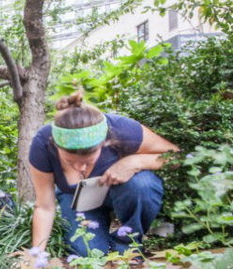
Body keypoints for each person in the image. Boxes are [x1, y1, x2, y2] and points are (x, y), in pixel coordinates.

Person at [28, 91, 179, 256]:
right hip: (77, 199)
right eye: (71, 161)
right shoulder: (42, 145)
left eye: (88, 161)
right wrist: (36, 255)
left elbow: (176, 156)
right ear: (56, 146)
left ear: (104, 143)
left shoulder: (122, 129)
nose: (80, 168)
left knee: (143, 184)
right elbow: (44, 206)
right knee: (87, 253)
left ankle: (128, 246)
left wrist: (135, 162)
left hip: (122, 190)